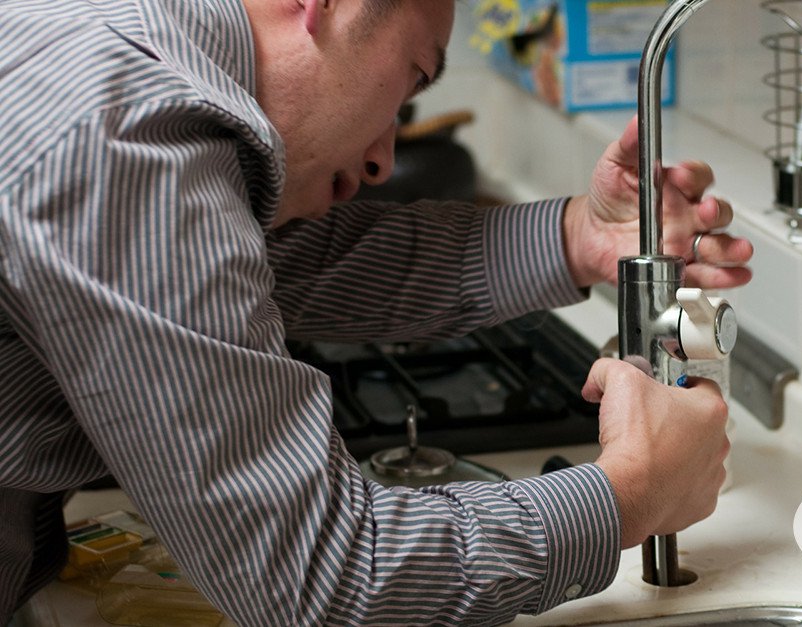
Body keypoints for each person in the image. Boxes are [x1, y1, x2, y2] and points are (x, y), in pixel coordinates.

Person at [0, 0, 754, 624]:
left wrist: (577, 237)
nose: (383, 159)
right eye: (412, 81)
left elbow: (285, 265)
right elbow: (321, 579)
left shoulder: (119, 49)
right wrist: (628, 492)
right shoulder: (128, 133)